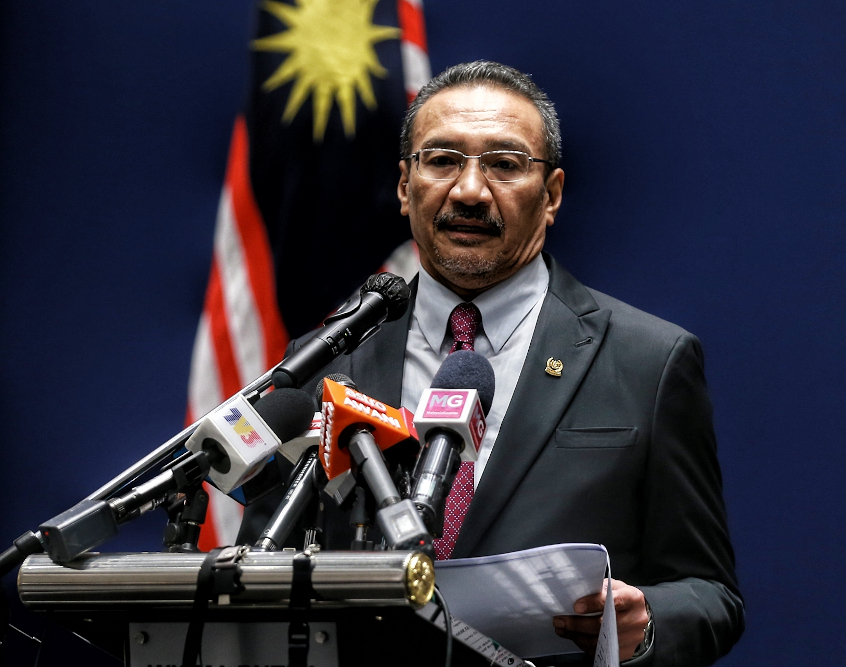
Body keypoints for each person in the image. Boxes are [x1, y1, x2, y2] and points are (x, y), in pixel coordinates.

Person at [240, 61, 743, 666]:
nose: (471, 191)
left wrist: (649, 623)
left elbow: (710, 593)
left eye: (505, 165)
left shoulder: (649, 362)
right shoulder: (324, 360)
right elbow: (259, 573)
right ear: (405, 186)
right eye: (443, 159)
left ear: (551, 194)